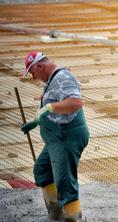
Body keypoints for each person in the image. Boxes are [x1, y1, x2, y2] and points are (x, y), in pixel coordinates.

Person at [20, 51, 89, 221]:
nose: (33, 77)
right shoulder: (52, 80)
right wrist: (37, 119)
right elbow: (56, 100)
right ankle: (56, 214)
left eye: (32, 72)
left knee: (65, 183)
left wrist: (48, 108)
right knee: (42, 171)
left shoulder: (63, 77)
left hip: (67, 137)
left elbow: (75, 102)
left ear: (40, 66)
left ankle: (73, 218)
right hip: (56, 139)